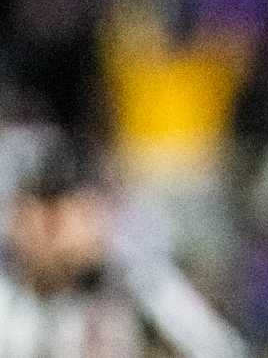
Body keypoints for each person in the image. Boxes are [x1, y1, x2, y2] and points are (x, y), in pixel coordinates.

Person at [0, 133, 246, 358]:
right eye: (44, 220)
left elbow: (221, 349)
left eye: (86, 212)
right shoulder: (8, 298)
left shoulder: (141, 285)